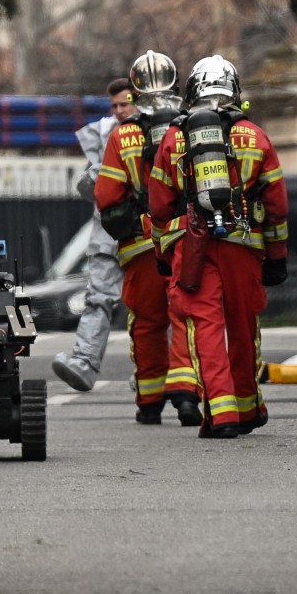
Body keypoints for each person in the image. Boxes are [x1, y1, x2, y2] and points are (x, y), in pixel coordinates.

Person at [148, 54, 289, 439]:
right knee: (242, 326)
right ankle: (247, 408)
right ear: (234, 90)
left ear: (192, 91)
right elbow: (276, 206)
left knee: (205, 328)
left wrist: (164, 255)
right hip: (243, 245)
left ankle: (221, 414)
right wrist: (277, 258)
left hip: (192, 247)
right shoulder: (256, 137)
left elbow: (159, 205)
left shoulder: (175, 138)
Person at [93, 51, 201, 426]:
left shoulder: (122, 137)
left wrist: (136, 222)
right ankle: (187, 395)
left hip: (141, 245)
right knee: (186, 316)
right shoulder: (191, 127)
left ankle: (150, 400)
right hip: (187, 239)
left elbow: (107, 200)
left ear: (134, 91)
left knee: (147, 321)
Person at [51, 78, 136, 391]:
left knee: (151, 306)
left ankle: (154, 374)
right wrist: (94, 176)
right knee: (97, 298)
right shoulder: (103, 134)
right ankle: (84, 363)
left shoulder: (151, 130)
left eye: (124, 103)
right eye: (114, 105)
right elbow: (89, 189)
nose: (119, 110)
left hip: (144, 233)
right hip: (108, 233)